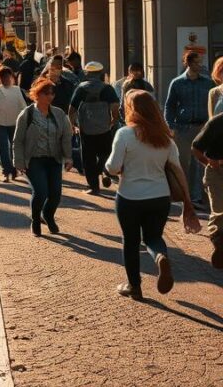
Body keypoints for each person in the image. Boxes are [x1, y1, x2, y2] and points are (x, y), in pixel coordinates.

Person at [105, 90, 201, 300]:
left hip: (129, 196)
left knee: (130, 241)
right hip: (159, 197)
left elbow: (112, 167)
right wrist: (187, 200)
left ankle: (134, 287)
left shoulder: (125, 134)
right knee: (153, 237)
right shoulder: (165, 138)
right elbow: (177, 170)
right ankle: (160, 257)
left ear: (132, 109)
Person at [12, 77, 73, 236]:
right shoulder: (27, 114)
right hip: (33, 160)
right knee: (41, 191)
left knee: (55, 194)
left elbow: (66, 136)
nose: (50, 97)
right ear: (37, 95)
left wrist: (68, 157)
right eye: (46, 93)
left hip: (53, 159)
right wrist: (18, 162)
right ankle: (35, 220)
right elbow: (18, 140)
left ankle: (48, 215)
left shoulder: (58, 114)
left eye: (52, 94)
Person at [164, 51, 214, 206]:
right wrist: (170, 127)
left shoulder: (208, 83)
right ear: (189, 63)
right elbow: (169, 106)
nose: (201, 65)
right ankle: (182, 195)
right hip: (183, 128)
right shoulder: (177, 82)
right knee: (183, 163)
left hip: (203, 128)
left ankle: (197, 197)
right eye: (198, 62)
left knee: (199, 164)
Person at [69, 62, 121, 195]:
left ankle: (94, 187)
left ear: (86, 73)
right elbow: (115, 108)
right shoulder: (107, 88)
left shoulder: (81, 88)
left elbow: (72, 109)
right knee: (105, 153)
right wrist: (112, 122)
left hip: (86, 129)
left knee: (88, 158)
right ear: (100, 73)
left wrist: (73, 124)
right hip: (104, 129)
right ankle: (103, 170)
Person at [191, 108, 223, 268]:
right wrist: (209, 163)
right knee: (220, 211)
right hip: (217, 173)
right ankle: (219, 242)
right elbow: (196, 148)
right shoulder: (217, 122)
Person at [0, 67, 28, 182]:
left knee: (14, 147)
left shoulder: (17, 90)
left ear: (11, 77)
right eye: (3, 77)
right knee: (3, 148)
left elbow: (23, 106)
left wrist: (25, 120)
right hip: (0, 124)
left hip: (15, 123)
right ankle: (6, 171)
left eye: (8, 77)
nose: (6, 79)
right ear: (0, 78)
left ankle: (14, 170)